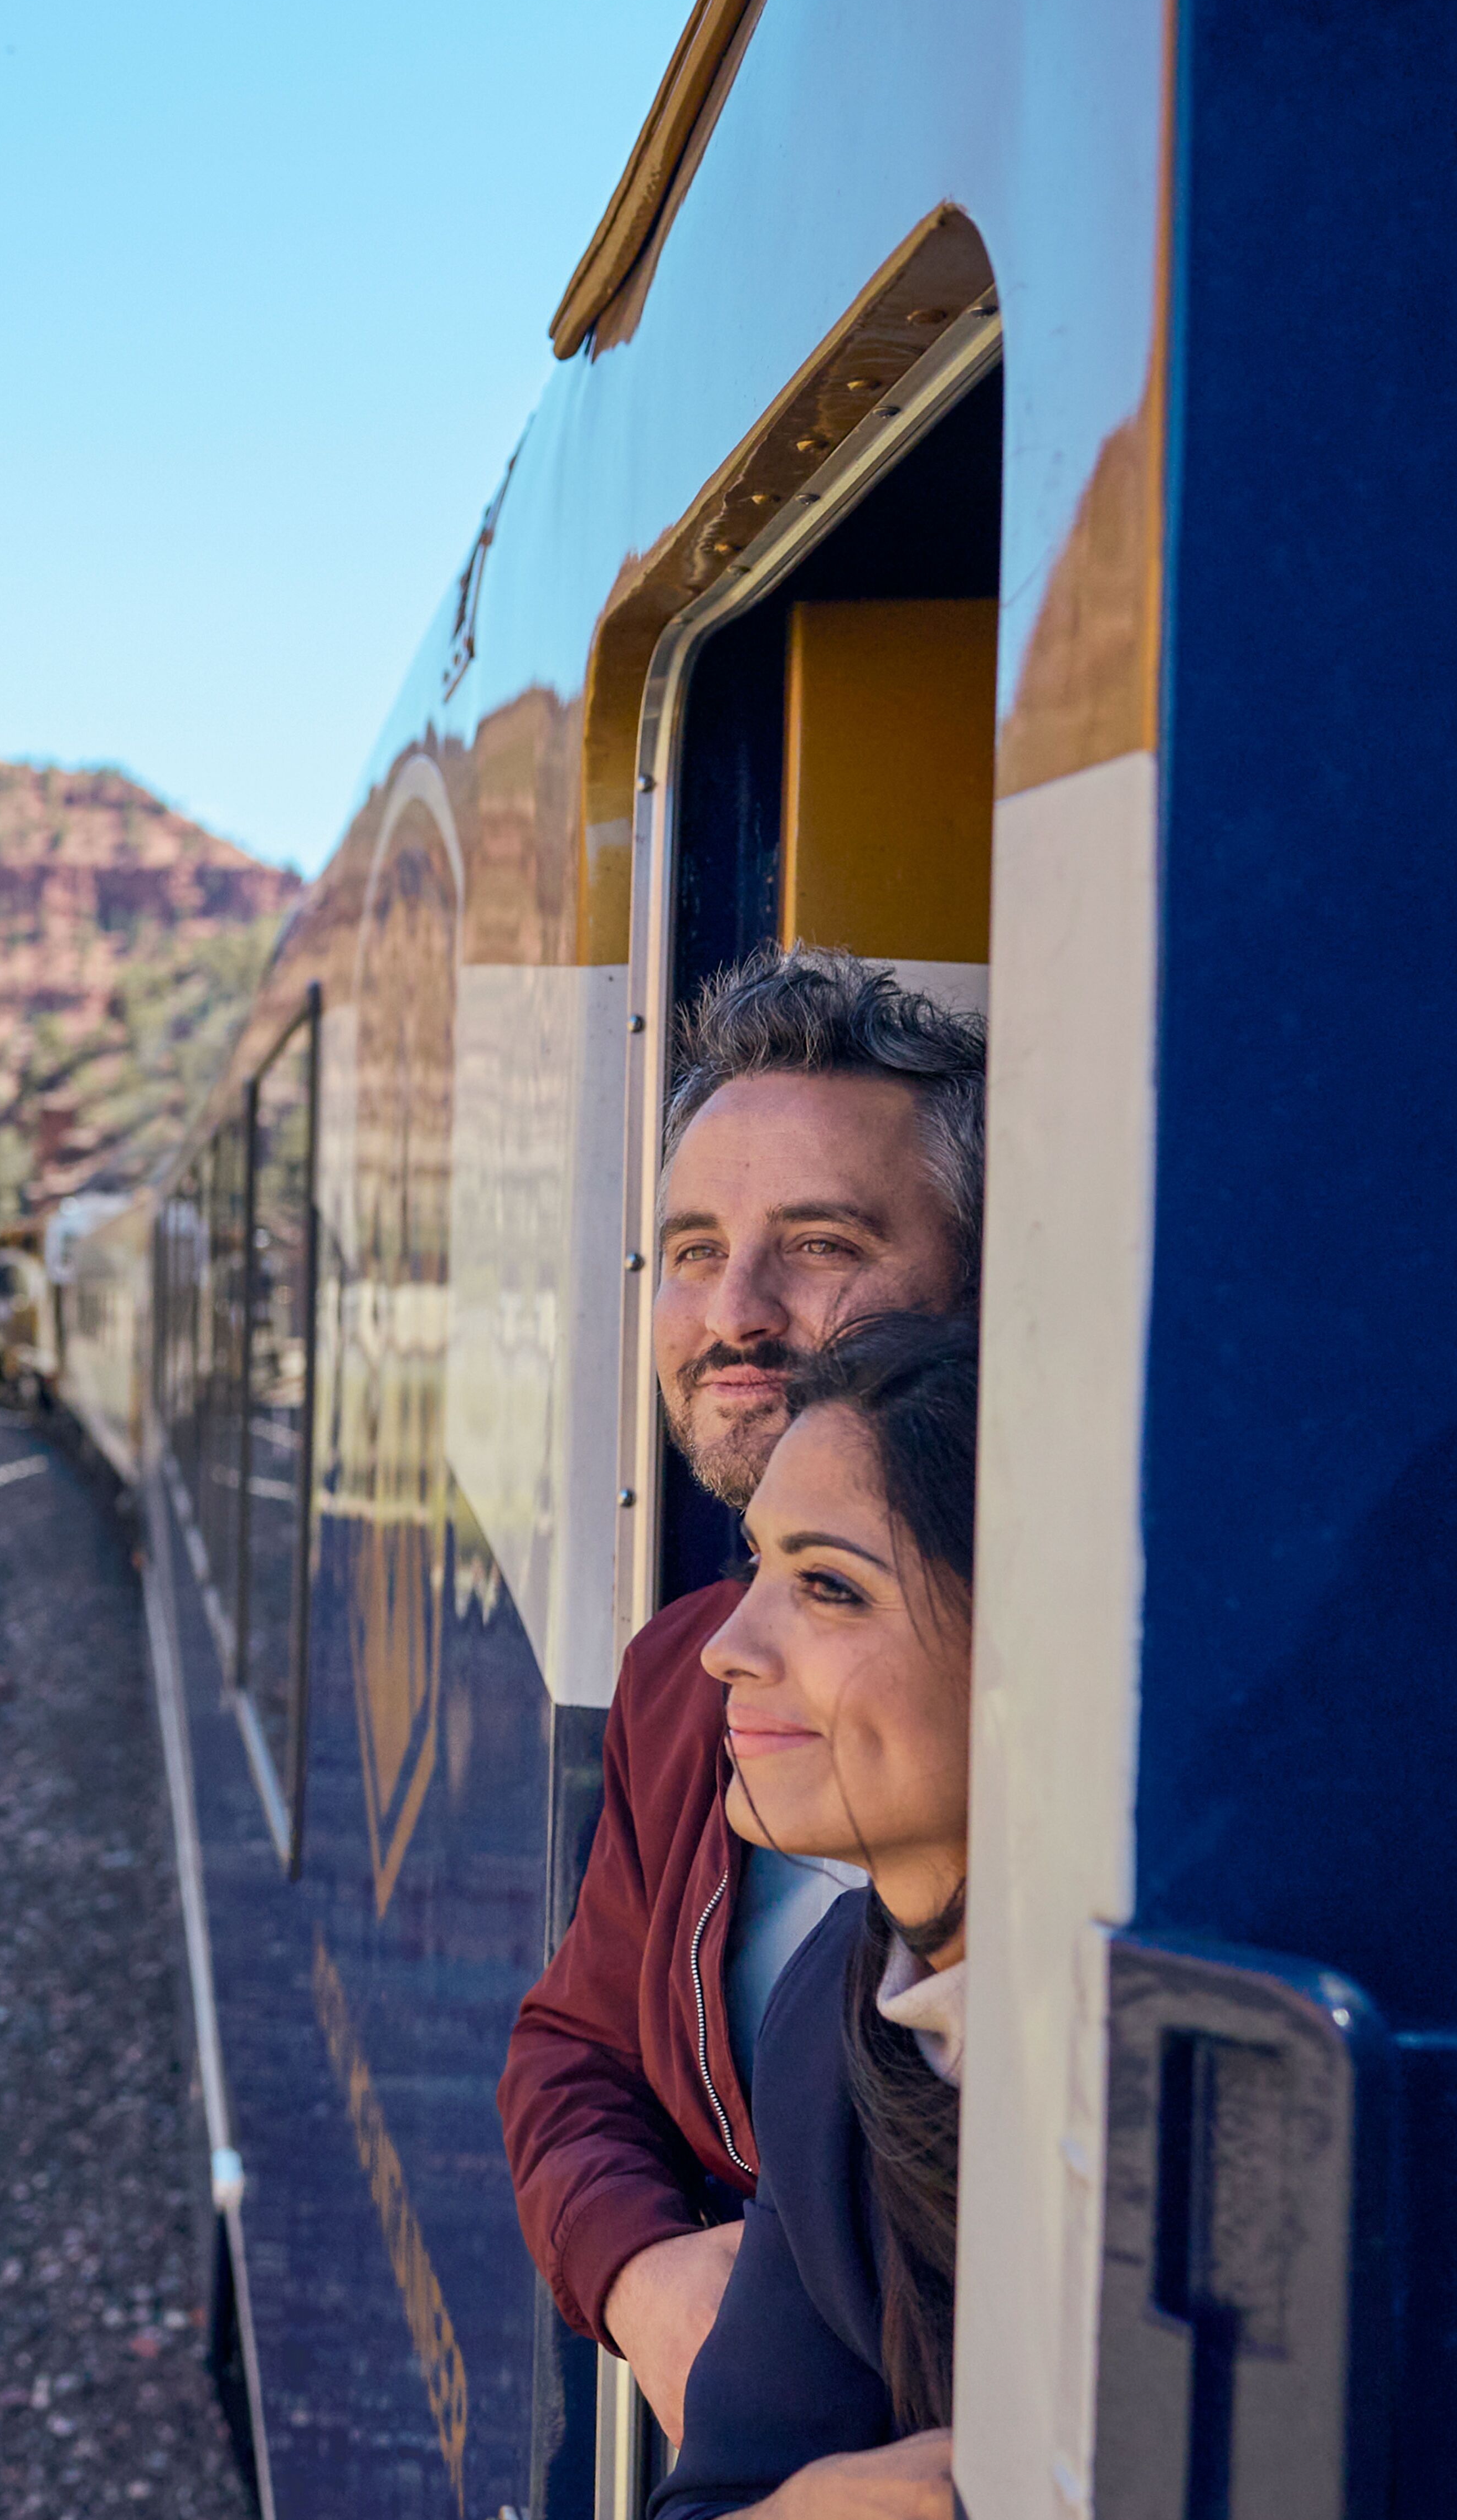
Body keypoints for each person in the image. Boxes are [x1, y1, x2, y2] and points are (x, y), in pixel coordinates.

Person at [495, 945, 985, 2444]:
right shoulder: (682, 1665)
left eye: (821, 1242)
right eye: (691, 1247)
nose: (734, 1311)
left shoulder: (1089, 1712)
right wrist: (641, 2277)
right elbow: (573, 2051)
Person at [655, 1310, 976, 2520]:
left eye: (830, 1587)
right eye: (758, 1569)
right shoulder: (835, 2018)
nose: (727, 1648)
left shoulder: (1183, 2077)